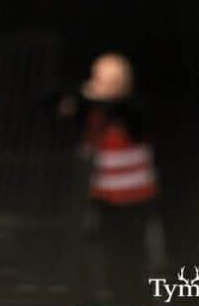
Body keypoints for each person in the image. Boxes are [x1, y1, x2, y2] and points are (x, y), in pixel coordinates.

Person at [62, 53, 158, 306]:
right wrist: (83, 97)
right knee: (97, 255)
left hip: (135, 198)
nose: (101, 86)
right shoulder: (90, 108)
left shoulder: (133, 109)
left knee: (131, 259)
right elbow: (58, 103)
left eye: (109, 80)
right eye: (98, 79)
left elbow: (128, 113)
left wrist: (98, 98)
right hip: (101, 196)